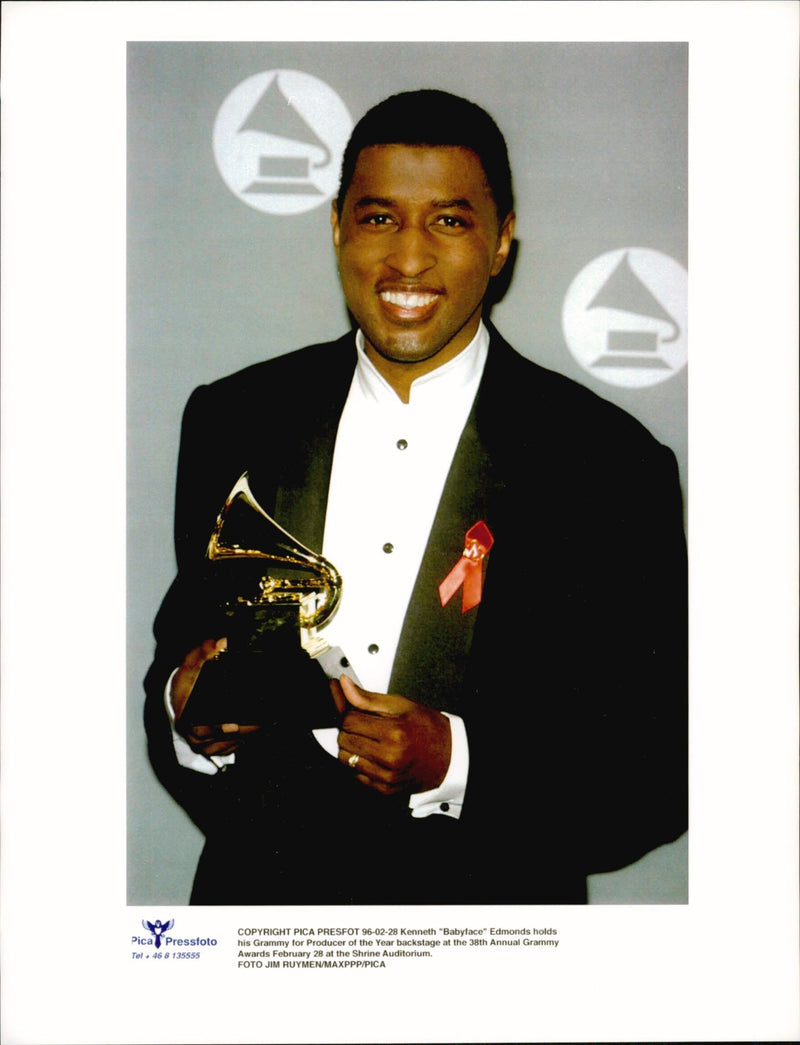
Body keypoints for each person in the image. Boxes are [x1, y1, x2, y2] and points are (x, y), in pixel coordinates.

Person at [144, 89, 687, 905]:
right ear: (336, 228)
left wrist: (457, 764)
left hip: (492, 948)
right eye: (378, 217)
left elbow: (657, 769)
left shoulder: (607, 463)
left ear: (503, 239)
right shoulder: (235, 418)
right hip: (263, 937)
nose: (407, 259)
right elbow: (179, 668)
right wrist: (190, 714)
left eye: (450, 221)